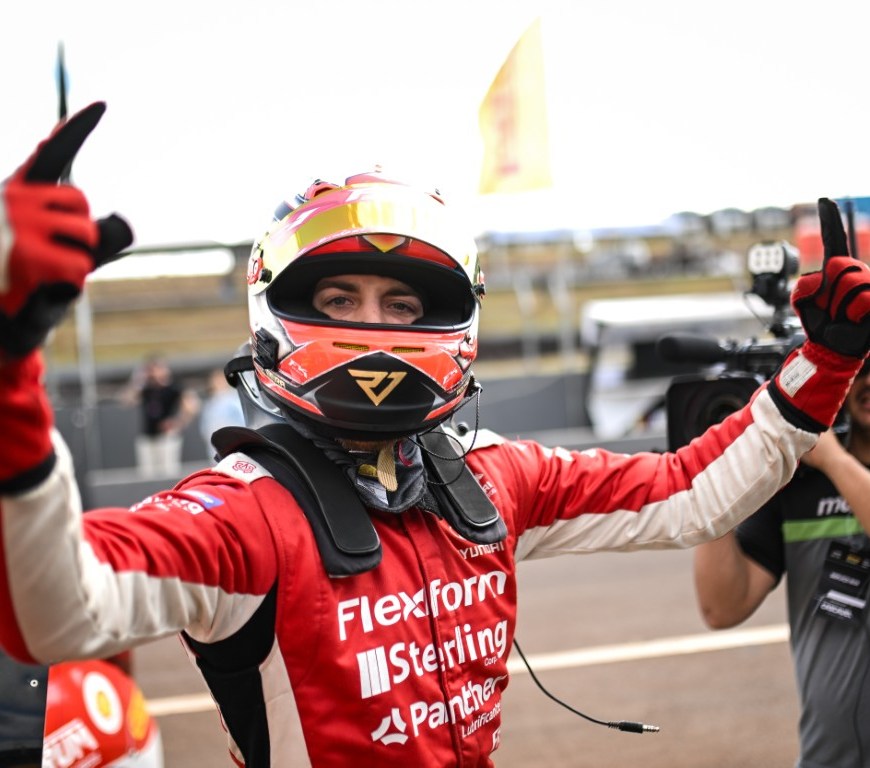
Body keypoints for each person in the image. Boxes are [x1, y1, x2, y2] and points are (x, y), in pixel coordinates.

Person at [0, 103, 869, 768]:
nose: (374, 328)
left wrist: (825, 363)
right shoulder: (240, 516)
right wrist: (9, 373)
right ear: (278, 312)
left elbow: (689, 493)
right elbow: (55, 610)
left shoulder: (493, 476)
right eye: (340, 299)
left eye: (403, 304)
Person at [694, 363, 870, 768]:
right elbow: (722, 607)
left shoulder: (827, 463)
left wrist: (834, 461)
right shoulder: (798, 483)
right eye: (861, 368)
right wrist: (716, 484)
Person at [121, 354, 200, 475]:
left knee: (168, 471)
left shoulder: (174, 387)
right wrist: (138, 381)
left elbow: (192, 407)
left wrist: (178, 422)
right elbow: (126, 401)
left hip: (166, 437)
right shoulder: (145, 388)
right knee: (146, 473)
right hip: (147, 436)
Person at [198, 367, 245, 460]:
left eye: (220, 380)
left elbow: (243, 421)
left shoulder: (234, 398)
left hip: (235, 446)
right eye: (215, 380)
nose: (217, 383)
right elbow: (205, 428)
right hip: (216, 449)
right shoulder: (210, 403)